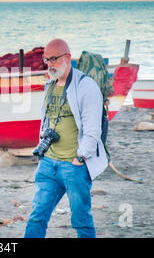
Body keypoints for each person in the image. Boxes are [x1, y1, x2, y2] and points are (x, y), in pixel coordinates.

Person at [24, 38, 108, 238]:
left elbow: (93, 130)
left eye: (54, 59)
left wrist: (80, 158)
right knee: (37, 216)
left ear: (68, 57)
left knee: (81, 221)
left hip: (74, 166)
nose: (50, 64)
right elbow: (46, 120)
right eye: (47, 60)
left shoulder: (86, 87)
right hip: (49, 163)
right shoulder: (50, 85)